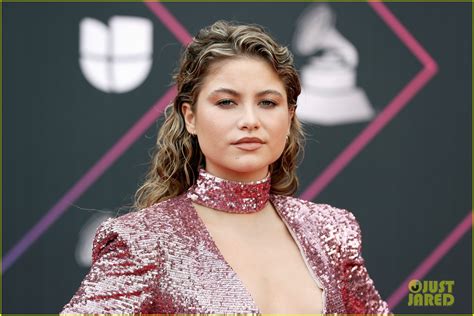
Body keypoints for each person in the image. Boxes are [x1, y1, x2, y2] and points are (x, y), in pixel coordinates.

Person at [61, 20, 390, 314]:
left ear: (289, 117)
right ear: (190, 117)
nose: (250, 121)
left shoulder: (330, 229)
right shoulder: (144, 240)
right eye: (226, 102)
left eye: (267, 102)